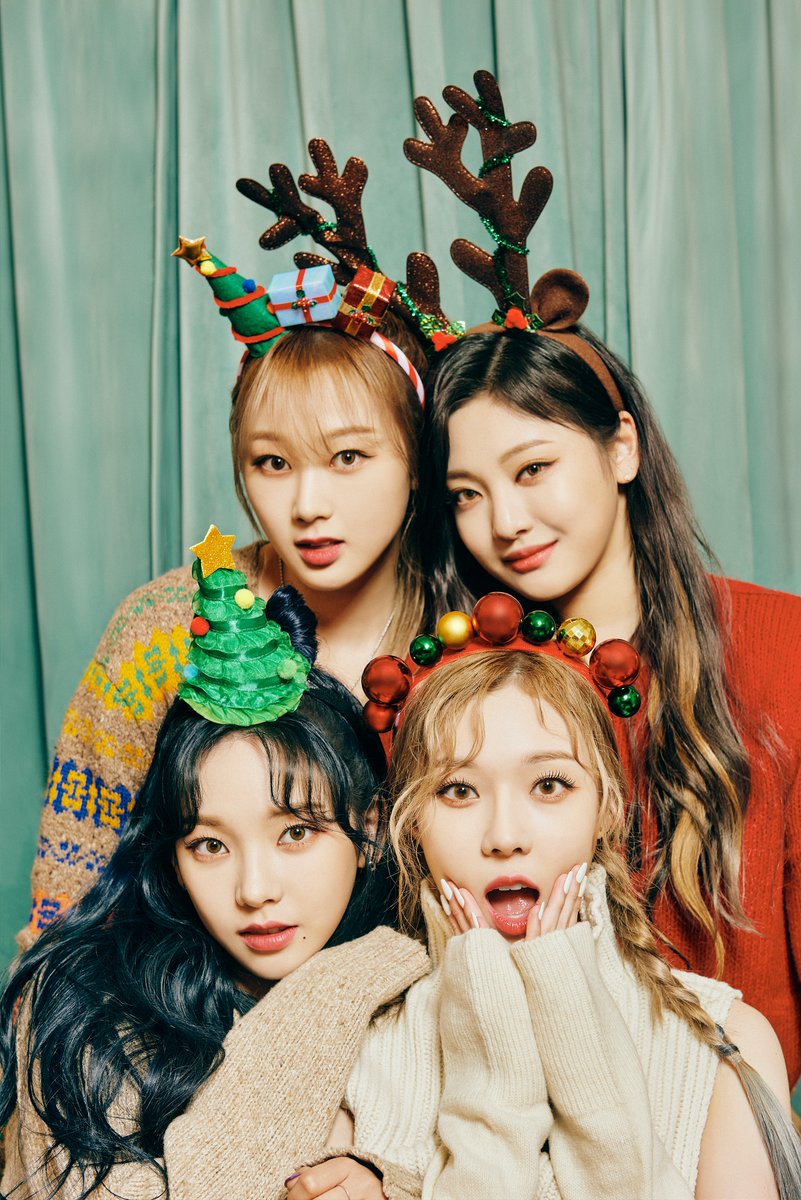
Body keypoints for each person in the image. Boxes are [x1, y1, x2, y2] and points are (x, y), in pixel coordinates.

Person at [407, 69, 801, 1082]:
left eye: (533, 469)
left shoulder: (779, 649)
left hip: (735, 1122)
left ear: (620, 447)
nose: (504, 523)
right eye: (465, 494)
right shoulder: (462, 687)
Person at [18, 135, 456, 950]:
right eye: (272, 463)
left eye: (348, 457)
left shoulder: (468, 626)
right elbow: (67, 903)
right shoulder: (163, 628)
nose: (307, 505)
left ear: (416, 464)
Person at [287, 621, 800, 1200]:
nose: (505, 837)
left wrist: (569, 1008)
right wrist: (492, 1035)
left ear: (607, 808)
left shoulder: (726, 1039)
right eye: (459, 790)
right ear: (410, 825)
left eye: (550, 785)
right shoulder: (346, 1041)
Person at [0, 539, 427, 1200]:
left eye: (295, 833)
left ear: (369, 830)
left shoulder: (426, 999)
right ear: (171, 854)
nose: (254, 891)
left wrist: (387, 1184)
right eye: (209, 845)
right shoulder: (85, 1013)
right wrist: (340, 983)